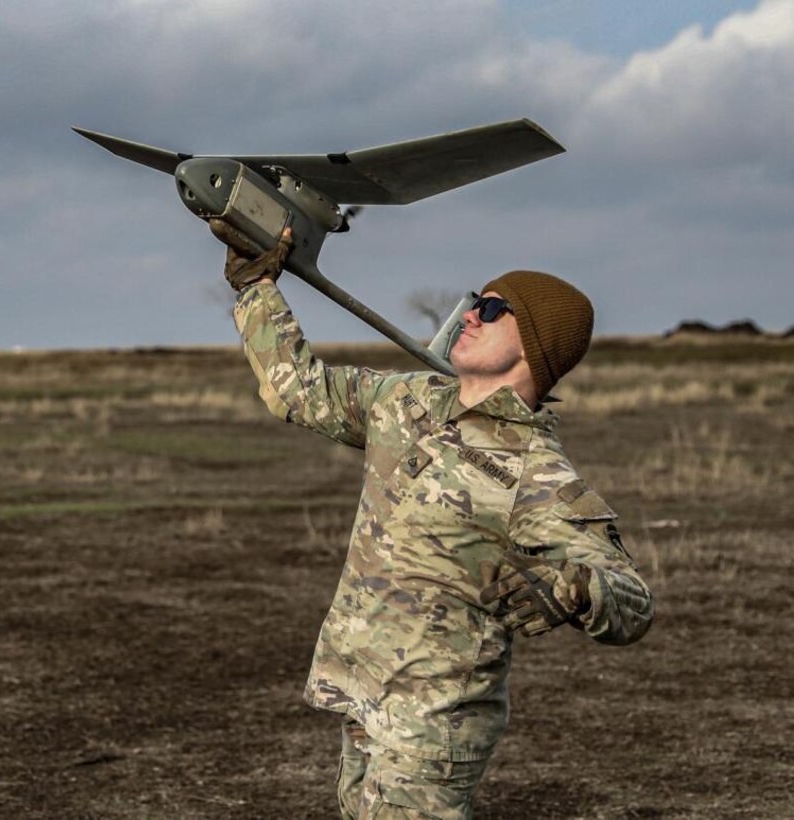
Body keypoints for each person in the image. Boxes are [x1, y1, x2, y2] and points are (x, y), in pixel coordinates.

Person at [221, 227, 654, 819]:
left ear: (536, 344)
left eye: (494, 309)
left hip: (433, 725)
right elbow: (299, 390)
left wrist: (571, 587)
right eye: (476, 300)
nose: (471, 314)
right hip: (362, 692)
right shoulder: (407, 398)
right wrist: (255, 287)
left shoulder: (537, 471)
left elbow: (633, 600)